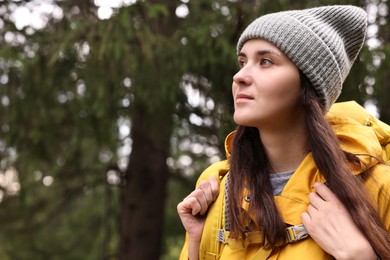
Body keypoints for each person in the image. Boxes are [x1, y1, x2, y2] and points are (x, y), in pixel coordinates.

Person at [177, 5, 390, 260]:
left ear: (308, 85)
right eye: (243, 62)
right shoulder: (218, 185)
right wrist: (197, 244)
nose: (240, 76)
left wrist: (359, 255)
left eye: (265, 61)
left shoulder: (377, 187)